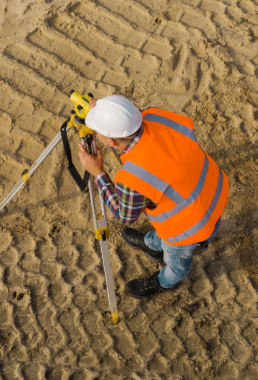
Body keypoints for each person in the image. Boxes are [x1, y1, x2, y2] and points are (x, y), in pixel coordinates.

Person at [76, 96, 228, 298]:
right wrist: (104, 110)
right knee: (167, 235)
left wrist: (99, 174)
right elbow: (127, 119)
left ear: (110, 141)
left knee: (177, 261)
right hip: (213, 189)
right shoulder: (155, 115)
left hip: (191, 226)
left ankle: (165, 282)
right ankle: (154, 244)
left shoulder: (133, 178)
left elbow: (125, 216)